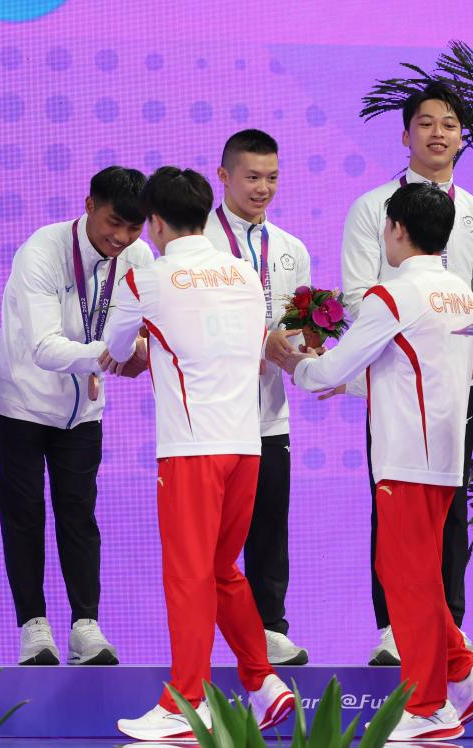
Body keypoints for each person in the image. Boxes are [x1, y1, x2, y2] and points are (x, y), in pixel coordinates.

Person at [275, 183, 473, 741]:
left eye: (385, 227)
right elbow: (420, 365)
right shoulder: (460, 293)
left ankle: (427, 706)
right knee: (416, 573)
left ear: (397, 230)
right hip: (444, 457)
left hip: (405, 456)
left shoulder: (391, 294)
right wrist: (348, 379)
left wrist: (293, 363)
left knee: (405, 578)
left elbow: (334, 368)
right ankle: (462, 673)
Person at [105, 167, 294, 741]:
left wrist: (145, 347)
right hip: (246, 446)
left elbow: (116, 349)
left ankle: (186, 703)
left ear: (154, 223)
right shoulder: (244, 272)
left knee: (189, 577)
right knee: (220, 571)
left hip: (191, 449)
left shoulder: (146, 279)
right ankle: (262, 681)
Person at [342, 82, 473, 666]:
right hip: (394, 382)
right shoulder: (373, 208)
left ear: (463, 138)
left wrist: (469, 361)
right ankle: (392, 629)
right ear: (405, 133)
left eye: (450, 124)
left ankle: (449, 625)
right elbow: (357, 295)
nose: (439, 133)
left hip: (458, 382)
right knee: (390, 504)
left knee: (451, 505)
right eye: (426, 122)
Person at [0, 166, 154, 666]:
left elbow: (142, 326)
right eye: (113, 223)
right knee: (24, 515)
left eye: (134, 228)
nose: (121, 238)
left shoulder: (139, 257)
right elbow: (44, 347)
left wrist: (140, 348)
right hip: (22, 401)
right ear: (89, 206)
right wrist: (114, 355)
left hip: (84, 410)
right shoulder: (42, 252)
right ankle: (33, 627)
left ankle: (86, 626)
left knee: (79, 514)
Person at [203, 129, 312, 665]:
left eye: (271, 177)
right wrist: (257, 341)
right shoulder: (199, 243)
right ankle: (202, 637)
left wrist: (307, 345)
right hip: (210, 419)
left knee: (269, 527)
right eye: (251, 177)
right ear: (223, 176)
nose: (262, 188)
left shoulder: (291, 249)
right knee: (211, 538)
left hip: (269, 415)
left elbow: (298, 325)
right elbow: (197, 323)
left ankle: (270, 627)